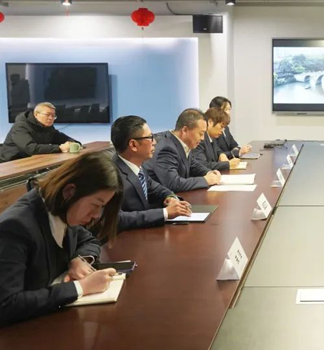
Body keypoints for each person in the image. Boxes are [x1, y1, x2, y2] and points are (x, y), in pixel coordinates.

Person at [0, 153, 123, 326]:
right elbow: (7, 305)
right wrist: (81, 287)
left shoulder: (63, 210)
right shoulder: (16, 227)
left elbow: (89, 240)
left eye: (102, 207)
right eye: (96, 205)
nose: (96, 215)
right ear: (69, 192)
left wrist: (79, 260)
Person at [111, 115, 192, 231]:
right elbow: (116, 218)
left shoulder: (138, 166)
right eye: (150, 137)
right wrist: (165, 213)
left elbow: (157, 189)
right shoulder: (112, 175)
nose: (155, 142)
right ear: (133, 145)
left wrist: (170, 197)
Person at [143, 108, 221, 192]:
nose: (202, 138)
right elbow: (173, 183)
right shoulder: (166, 148)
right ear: (185, 130)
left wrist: (209, 173)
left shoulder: (183, 143)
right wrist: (205, 180)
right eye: (201, 134)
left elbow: (192, 164)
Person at [0, 102, 81, 163]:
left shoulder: (46, 125)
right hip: (11, 162)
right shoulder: (20, 126)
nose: (51, 118)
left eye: (53, 116)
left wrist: (74, 143)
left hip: (32, 161)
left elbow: (59, 137)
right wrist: (59, 148)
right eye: (47, 115)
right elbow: (30, 148)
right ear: (36, 114)